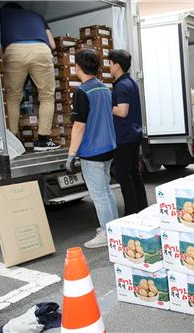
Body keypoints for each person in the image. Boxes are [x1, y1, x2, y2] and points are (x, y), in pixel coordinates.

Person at [66, 49, 118, 248]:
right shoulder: (104, 89)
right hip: (108, 148)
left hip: (92, 151)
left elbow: (79, 126)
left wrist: (71, 155)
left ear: (77, 67)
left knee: (98, 194)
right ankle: (112, 228)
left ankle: (106, 233)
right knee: (106, 190)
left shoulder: (82, 91)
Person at [0, 2, 61, 151]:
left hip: (14, 50)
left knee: (13, 97)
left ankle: (14, 141)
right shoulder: (37, 16)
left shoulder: (0, 15)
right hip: (41, 49)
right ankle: (43, 140)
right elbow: (52, 44)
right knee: (46, 97)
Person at [108, 49, 148, 216]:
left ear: (117, 65)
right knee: (134, 173)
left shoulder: (122, 86)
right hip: (133, 134)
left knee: (123, 175)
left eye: (109, 64)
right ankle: (142, 208)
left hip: (123, 136)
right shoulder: (130, 82)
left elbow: (122, 111)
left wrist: (106, 106)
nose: (108, 67)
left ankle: (131, 212)